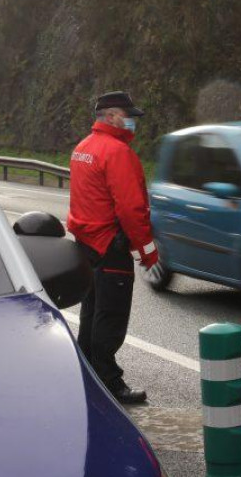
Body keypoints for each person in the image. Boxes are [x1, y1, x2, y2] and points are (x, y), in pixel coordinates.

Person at [67, 91, 157, 405]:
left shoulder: (83, 148)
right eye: (127, 115)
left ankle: (87, 373)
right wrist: (147, 251)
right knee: (111, 316)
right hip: (111, 246)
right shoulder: (118, 153)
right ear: (110, 116)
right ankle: (109, 383)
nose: (132, 121)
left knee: (92, 313)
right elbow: (132, 210)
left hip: (87, 245)